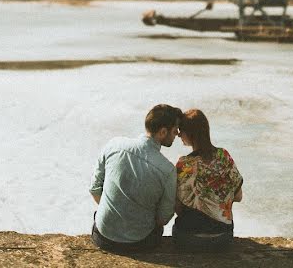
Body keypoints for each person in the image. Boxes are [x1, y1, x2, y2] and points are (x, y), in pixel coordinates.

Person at [89, 104, 182, 252]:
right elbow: (163, 218)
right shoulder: (167, 170)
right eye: (175, 129)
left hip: (104, 237)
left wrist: (115, 214)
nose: (177, 133)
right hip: (140, 243)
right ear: (163, 132)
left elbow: (94, 189)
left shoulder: (114, 145)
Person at [173, 109, 243, 251]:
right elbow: (238, 196)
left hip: (188, 238)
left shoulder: (184, 164)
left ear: (190, 134)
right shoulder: (224, 156)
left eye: (181, 130)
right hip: (222, 238)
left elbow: (178, 207)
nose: (179, 134)